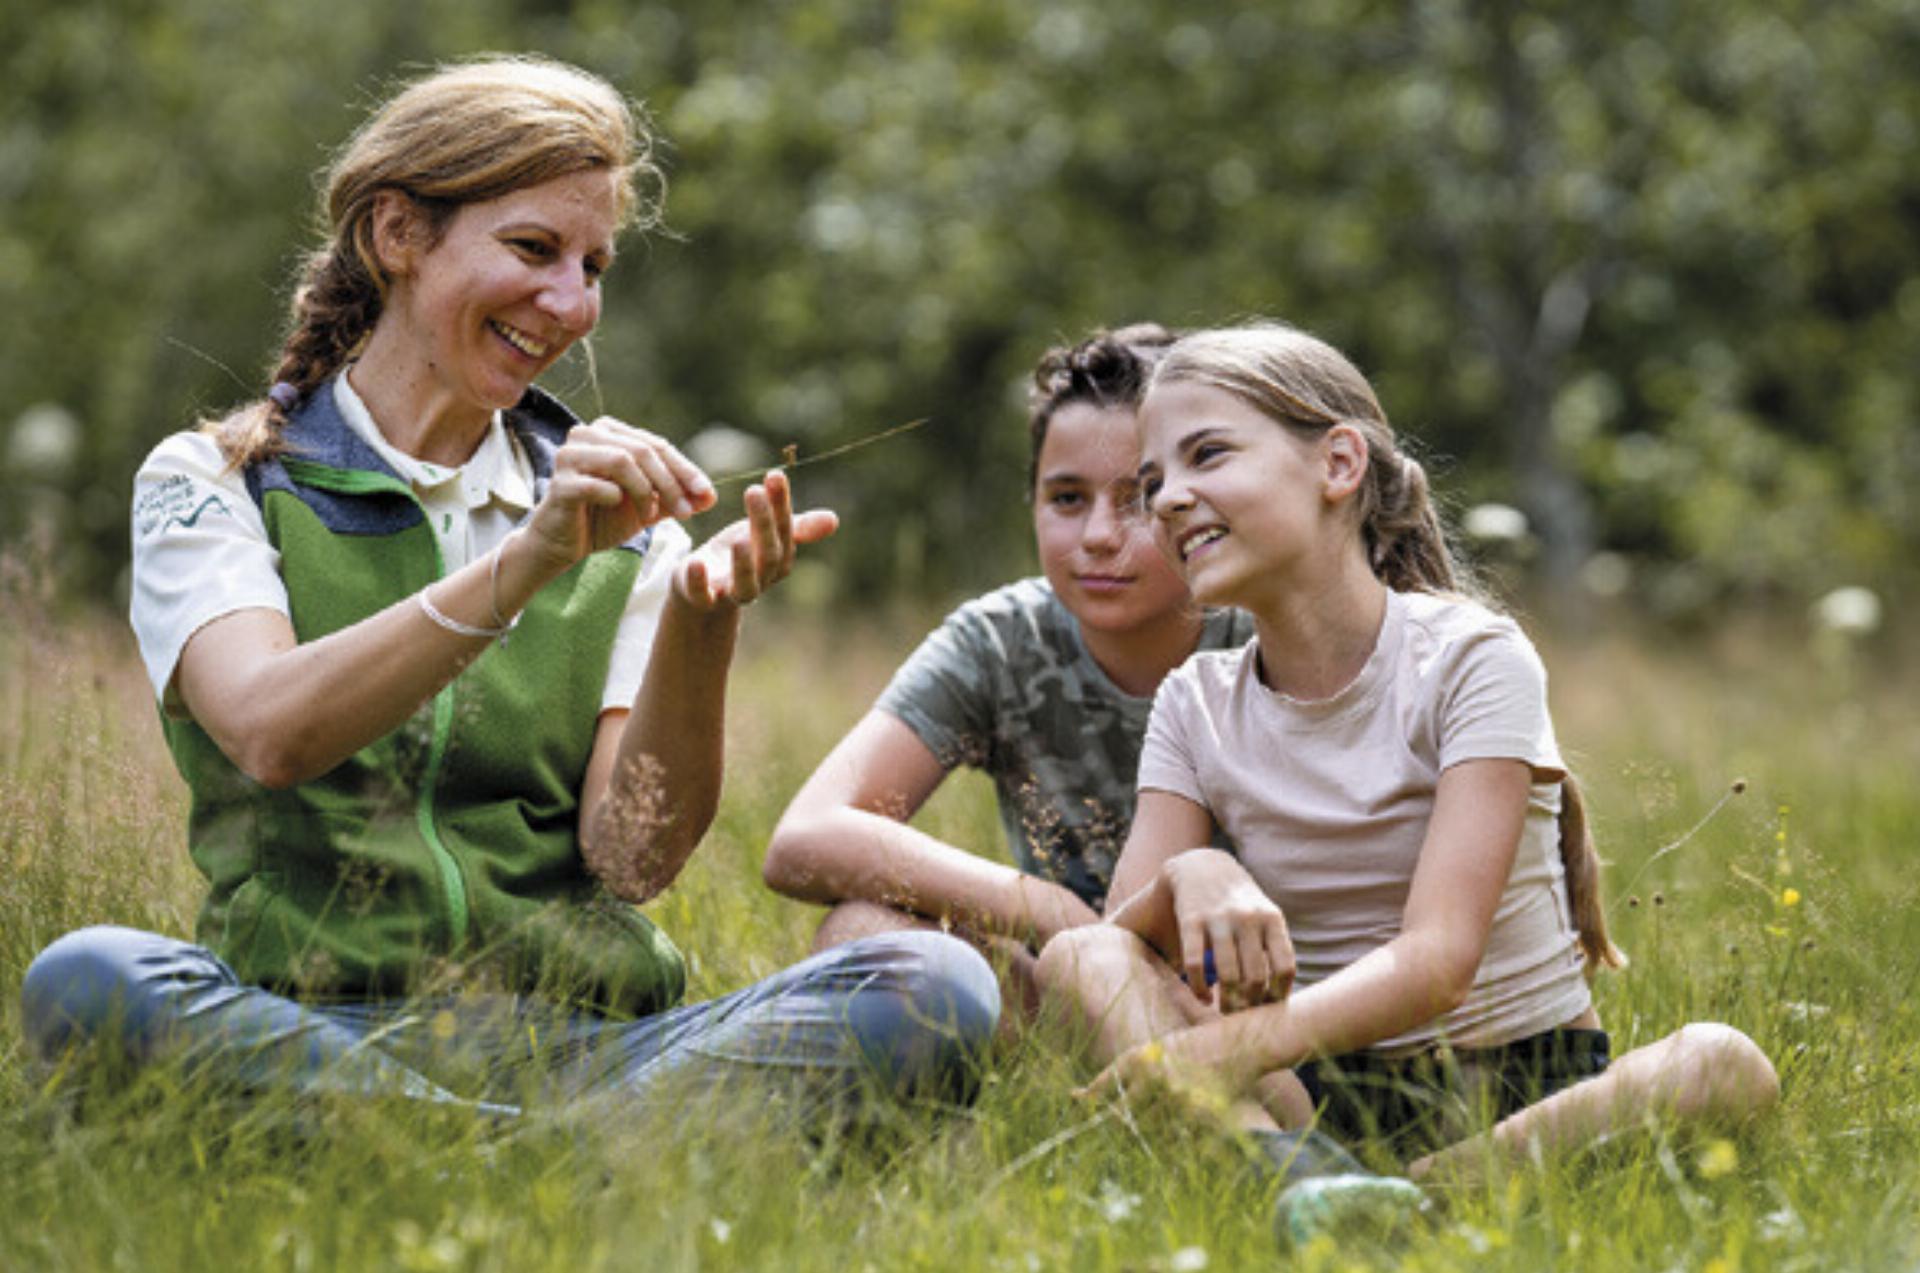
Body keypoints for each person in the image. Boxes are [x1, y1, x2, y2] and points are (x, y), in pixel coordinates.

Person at [20, 55, 997, 1125]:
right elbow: (269, 729)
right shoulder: (216, 482)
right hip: (307, 1024)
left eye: (593, 264)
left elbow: (631, 861)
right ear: (397, 234)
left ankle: (445, 1147)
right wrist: (526, 562)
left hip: (596, 1041)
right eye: (534, 249)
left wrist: (700, 626)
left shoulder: (628, 530)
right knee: (89, 978)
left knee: (933, 986)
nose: (571, 303)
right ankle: (566, 1158)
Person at [1035, 321, 1778, 1225]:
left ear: (1338, 464)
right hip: (1313, 1093)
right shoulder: (1195, 700)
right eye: (1157, 482)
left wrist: (1228, 1057)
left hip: (1515, 1091)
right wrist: (1197, 871)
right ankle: (1308, 1177)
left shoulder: (1471, 657)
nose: (1169, 500)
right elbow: (1127, 948)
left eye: (1208, 456)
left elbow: (1437, 961)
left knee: (1720, 1060)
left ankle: (1395, 1197)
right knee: (1079, 952)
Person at [762, 326, 1254, 1019]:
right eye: (1067, 498)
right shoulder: (1001, 639)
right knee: (862, 932)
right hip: (1072, 988)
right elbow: (804, 838)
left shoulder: (1264, 631)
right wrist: (1051, 911)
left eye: (1138, 497)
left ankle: (1240, 1116)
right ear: (1031, 502)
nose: (1098, 535)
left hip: (1260, 1008)